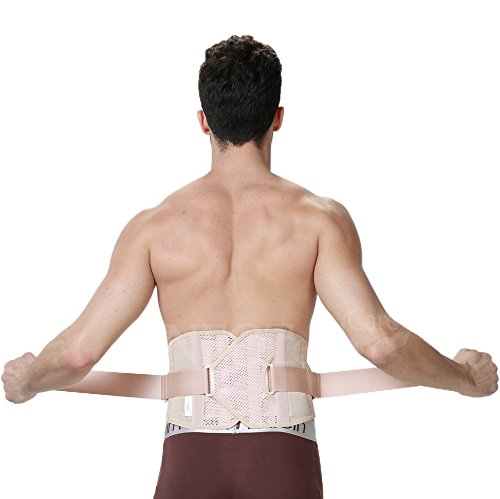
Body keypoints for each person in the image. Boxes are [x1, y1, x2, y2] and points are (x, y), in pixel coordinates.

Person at [2, 34, 498, 499]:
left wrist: (26, 381)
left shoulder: (153, 228)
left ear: (204, 121)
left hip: (188, 462)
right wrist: (465, 377)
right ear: (277, 118)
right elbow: (380, 344)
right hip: (283, 461)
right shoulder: (317, 220)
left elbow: (76, 354)